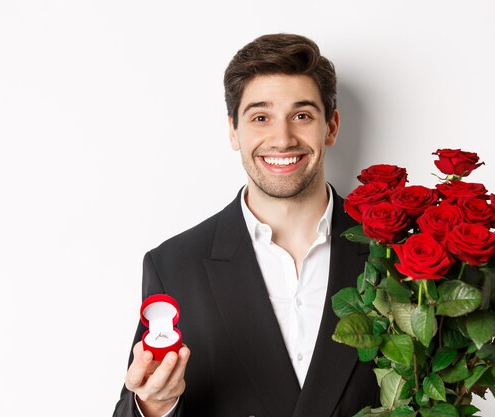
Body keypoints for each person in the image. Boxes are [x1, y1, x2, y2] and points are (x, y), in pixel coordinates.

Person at [113, 33, 378, 417]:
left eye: (301, 116)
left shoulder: (396, 252)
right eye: (260, 117)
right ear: (234, 131)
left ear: (331, 127)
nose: (283, 139)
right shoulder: (174, 265)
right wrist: (155, 404)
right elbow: (132, 405)